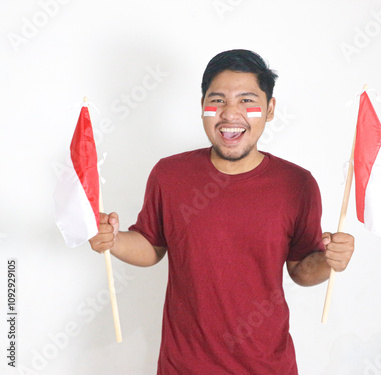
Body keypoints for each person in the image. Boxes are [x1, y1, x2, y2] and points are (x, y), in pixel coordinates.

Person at [89, 49, 355, 375]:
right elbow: (151, 245)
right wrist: (112, 240)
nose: (230, 113)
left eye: (247, 101)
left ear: (270, 109)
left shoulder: (297, 184)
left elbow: (301, 268)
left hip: (267, 366)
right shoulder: (169, 175)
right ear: (202, 106)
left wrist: (330, 261)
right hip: (183, 367)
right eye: (217, 100)